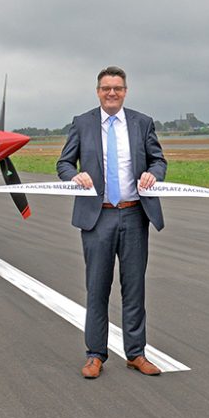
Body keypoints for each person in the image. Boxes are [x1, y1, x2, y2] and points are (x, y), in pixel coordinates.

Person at [56, 65, 167, 379]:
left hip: (134, 214)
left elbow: (159, 159)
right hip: (97, 216)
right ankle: (95, 355)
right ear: (98, 91)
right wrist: (72, 175)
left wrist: (153, 174)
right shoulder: (82, 123)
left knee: (134, 288)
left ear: (125, 91)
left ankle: (136, 353)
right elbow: (64, 162)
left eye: (117, 88)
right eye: (106, 88)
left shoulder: (142, 123)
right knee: (97, 288)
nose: (112, 93)